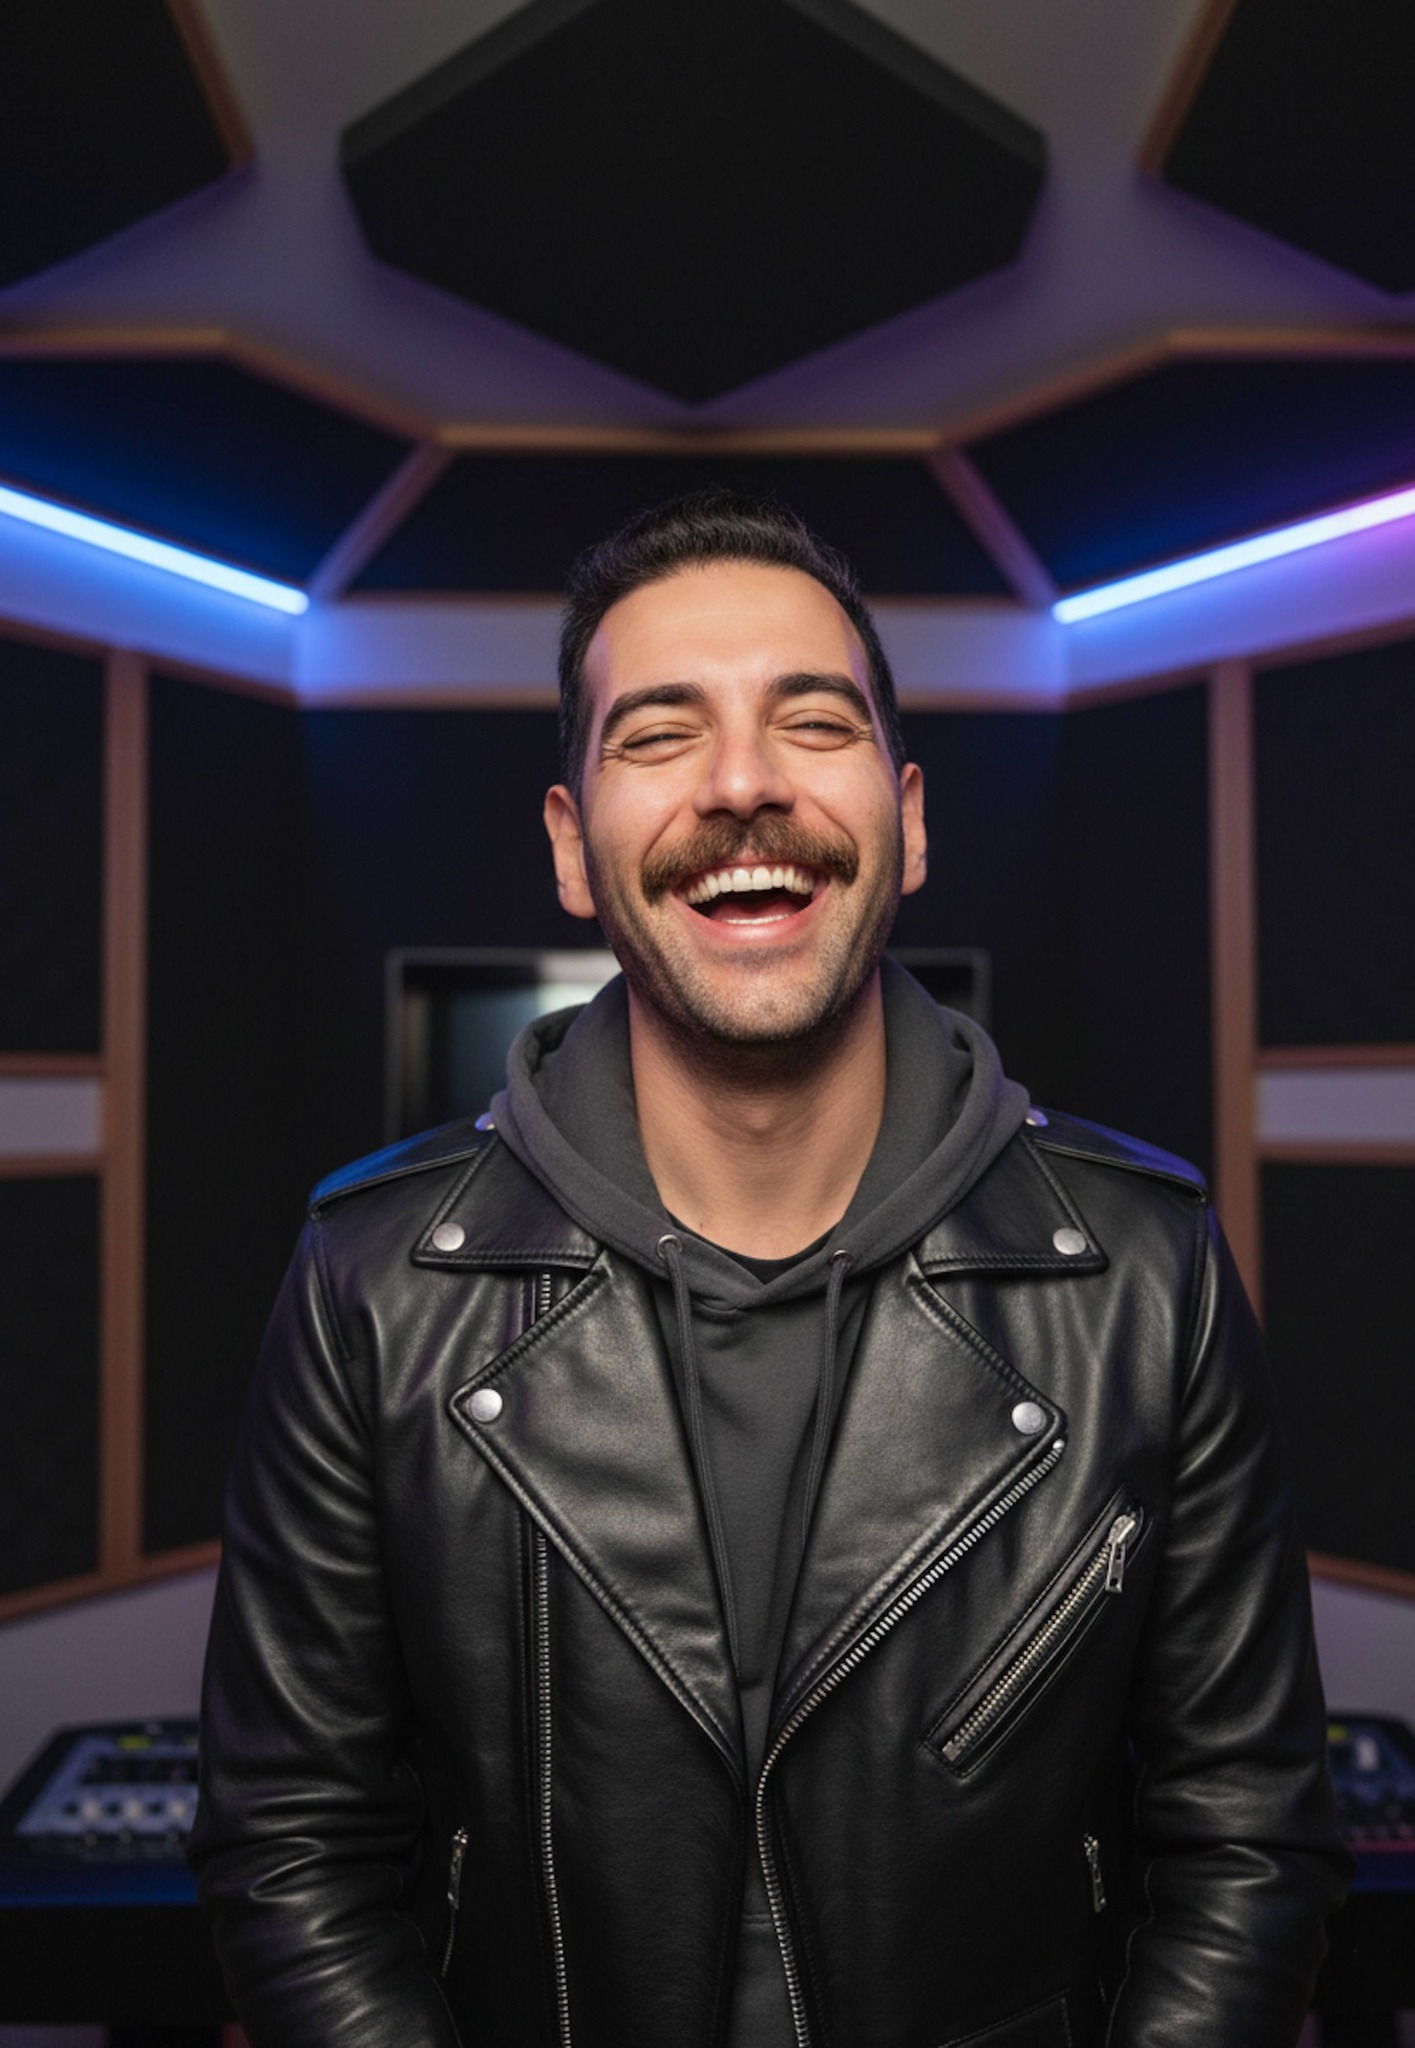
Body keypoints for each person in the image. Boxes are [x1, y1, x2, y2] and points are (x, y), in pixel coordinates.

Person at [191, 491, 1348, 2048]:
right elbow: (291, 1847)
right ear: (570, 850)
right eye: (658, 737)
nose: (742, 785)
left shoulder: (1151, 1279)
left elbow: (1246, 1841)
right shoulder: (368, 1285)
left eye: (812, 722)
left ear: (910, 819)